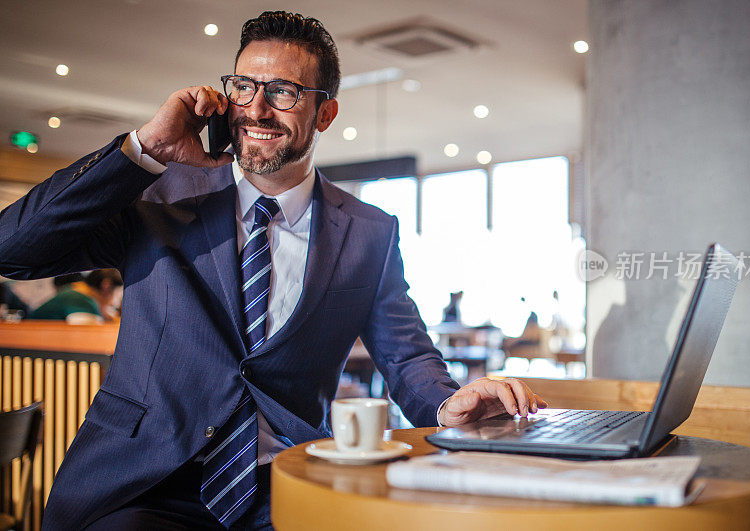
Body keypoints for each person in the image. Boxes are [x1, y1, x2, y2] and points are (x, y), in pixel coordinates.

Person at [0, 11, 545, 530]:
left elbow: (405, 354)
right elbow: (13, 248)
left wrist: (449, 402)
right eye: (244, 87)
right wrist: (144, 148)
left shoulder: (370, 232)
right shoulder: (157, 193)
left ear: (325, 113)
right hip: (144, 483)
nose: (257, 109)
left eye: (283, 92)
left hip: (289, 481)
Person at [28, 269, 123, 322]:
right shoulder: (81, 300)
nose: (116, 304)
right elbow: (90, 337)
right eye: (119, 296)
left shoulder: (75, 292)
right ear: (106, 286)